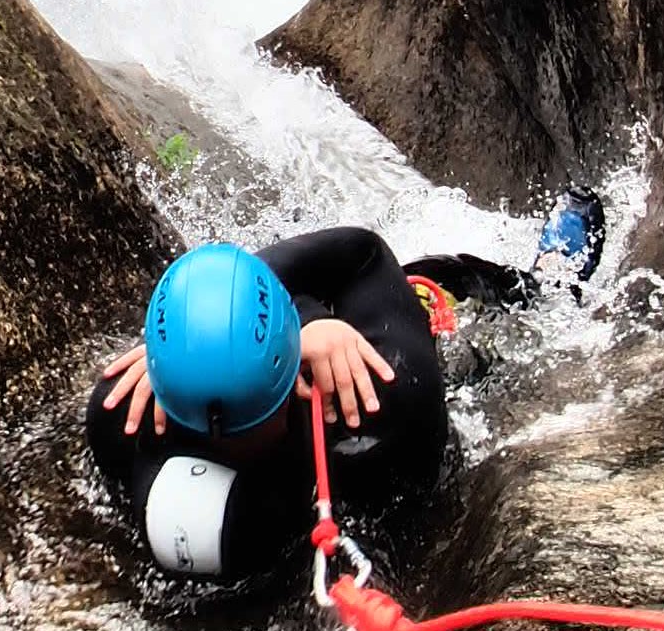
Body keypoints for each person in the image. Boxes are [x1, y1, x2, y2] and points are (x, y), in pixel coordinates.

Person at [85, 228, 450, 581]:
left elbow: (217, 294)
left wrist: (181, 346)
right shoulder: (382, 409)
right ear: (291, 367)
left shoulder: (121, 413)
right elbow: (364, 253)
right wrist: (305, 322)